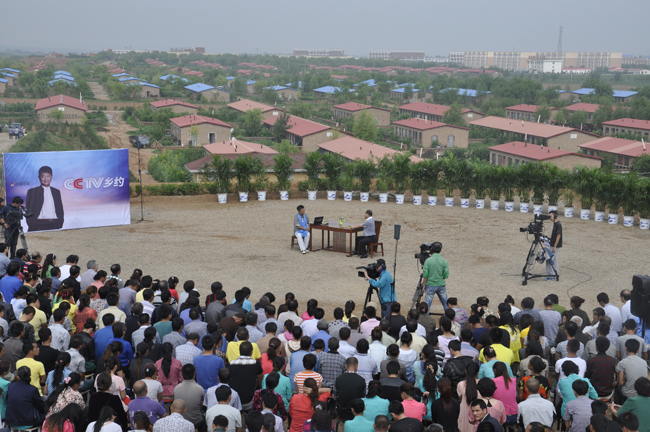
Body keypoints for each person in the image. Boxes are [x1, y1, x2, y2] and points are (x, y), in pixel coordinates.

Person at [25, 166, 65, 232]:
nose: (46, 179)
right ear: (39, 177)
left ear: (51, 176)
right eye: (43, 176)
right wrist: (32, 224)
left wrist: (60, 222)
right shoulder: (32, 191)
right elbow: (28, 209)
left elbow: (60, 209)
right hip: (38, 224)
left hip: (54, 223)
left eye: (48, 176)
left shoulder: (56, 192)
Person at [173, 364, 206, 432]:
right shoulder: (200, 389)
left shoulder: (176, 388)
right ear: (194, 374)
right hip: (196, 421)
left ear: (182, 374)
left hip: (181, 420)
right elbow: (201, 406)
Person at [615, 339, 647, 404]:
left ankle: (617, 409)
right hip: (642, 392)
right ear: (638, 350)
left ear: (625, 348)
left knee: (618, 388)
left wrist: (625, 379)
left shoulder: (623, 362)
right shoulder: (644, 362)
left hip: (628, 394)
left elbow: (621, 383)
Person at [421, 242, 449, 311]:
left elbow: (425, 275)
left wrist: (424, 285)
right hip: (441, 285)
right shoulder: (444, 261)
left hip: (430, 285)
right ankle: (449, 318)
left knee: (427, 305)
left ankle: (426, 320)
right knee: (446, 304)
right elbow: (446, 275)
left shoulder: (428, 261)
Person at [546, 210, 561, 279]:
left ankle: (550, 275)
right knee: (554, 260)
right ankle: (555, 274)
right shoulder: (555, 224)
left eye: (550, 216)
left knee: (549, 260)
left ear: (554, 216)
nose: (550, 218)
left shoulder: (558, 224)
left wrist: (554, 246)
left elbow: (558, 235)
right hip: (552, 244)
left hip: (555, 245)